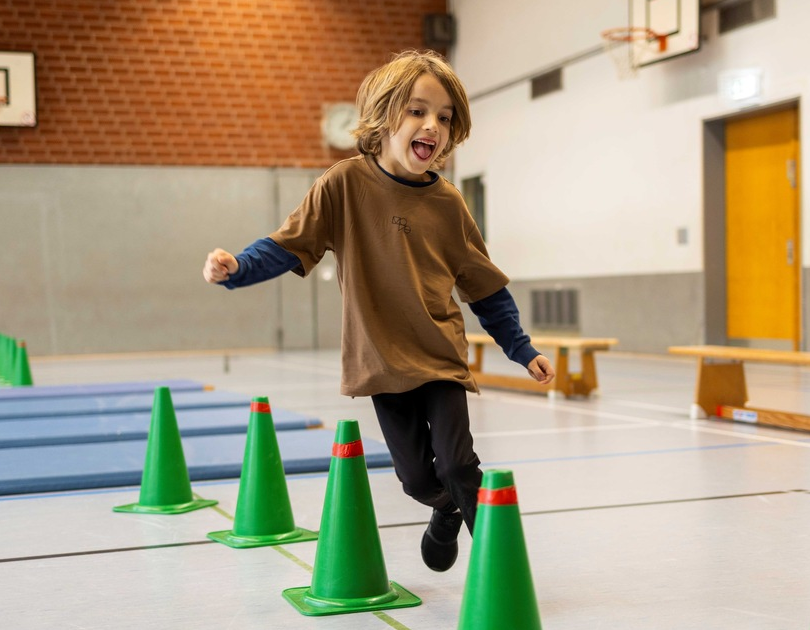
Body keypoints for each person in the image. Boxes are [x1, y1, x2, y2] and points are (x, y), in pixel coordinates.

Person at [202, 50, 554, 572]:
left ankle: (502, 573)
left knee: (460, 464)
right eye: (417, 110)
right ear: (385, 115)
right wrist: (238, 268)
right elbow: (288, 243)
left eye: (444, 116)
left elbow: (484, 287)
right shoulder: (344, 184)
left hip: (438, 355)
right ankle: (444, 513)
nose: (432, 125)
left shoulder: (448, 204)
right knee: (417, 481)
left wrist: (522, 350)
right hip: (381, 361)